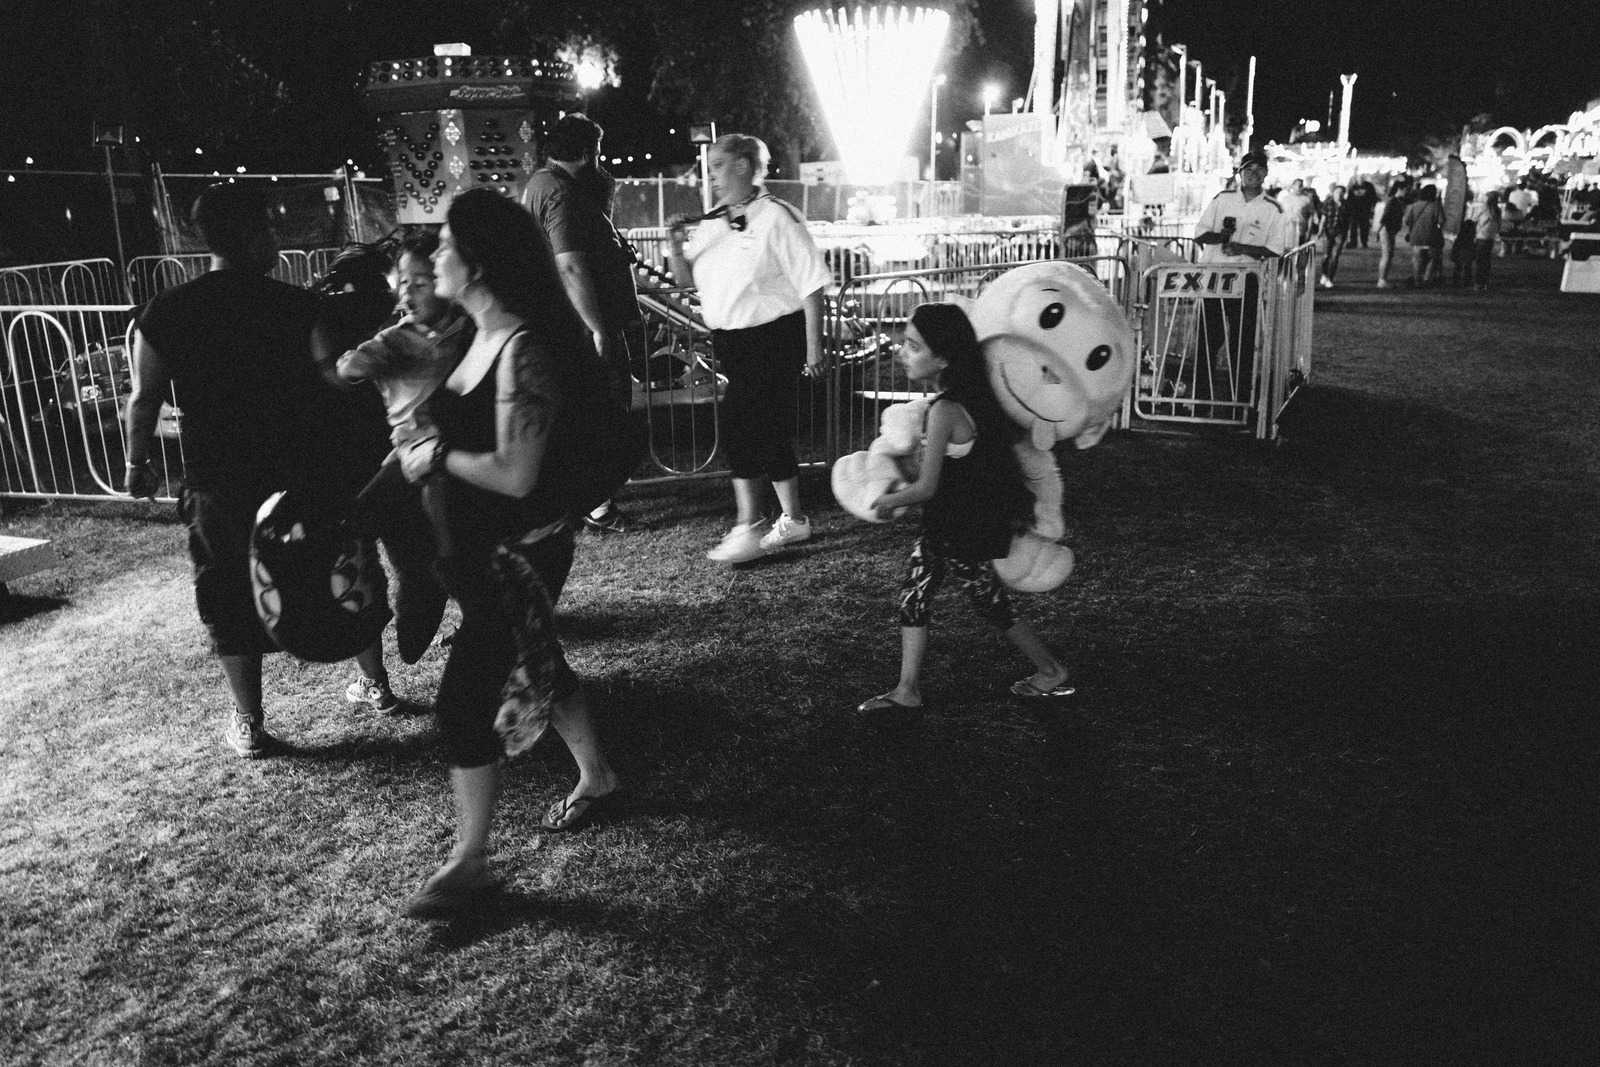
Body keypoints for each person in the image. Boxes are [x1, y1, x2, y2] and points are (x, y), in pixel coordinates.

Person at [396, 188, 620, 918]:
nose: (434, 257)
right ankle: (598, 774)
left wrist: (436, 455)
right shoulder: (472, 332)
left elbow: (516, 474)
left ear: (480, 263)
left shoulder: (523, 349)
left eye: (446, 245)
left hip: (519, 554)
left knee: (463, 700)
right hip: (476, 550)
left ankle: (471, 862)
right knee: (537, 654)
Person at [123, 183, 327, 758]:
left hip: (216, 475)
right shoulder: (297, 305)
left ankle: (249, 722)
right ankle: (375, 682)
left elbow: (144, 397)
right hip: (294, 467)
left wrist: (137, 462)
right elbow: (329, 384)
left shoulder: (166, 312)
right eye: (269, 228)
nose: (276, 240)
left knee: (227, 591)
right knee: (324, 565)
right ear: (251, 234)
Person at [857, 303, 1070, 716]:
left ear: (943, 358)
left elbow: (928, 486)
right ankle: (907, 689)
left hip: (958, 528)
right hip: (961, 523)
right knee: (923, 596)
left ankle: (1051, 670)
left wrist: (887, 499)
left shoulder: (944, 411)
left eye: (913, 346)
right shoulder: (973, 399)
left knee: (983, 602)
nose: (902, 353)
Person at [666, 133, 831, 565]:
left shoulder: (778, 216)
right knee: (770, 427)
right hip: (733, 341)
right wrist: (674, 242)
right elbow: (685, 280)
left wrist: (814, 346)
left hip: (774, 335)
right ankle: (793, 518)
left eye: (718, 165)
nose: (712, 176)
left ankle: (749, 524)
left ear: (743, 165)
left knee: (740, 422)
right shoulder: (713, 221)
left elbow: (812, 284)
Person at [336, 230, 471, 666]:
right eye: (403, 283)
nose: (408, 294)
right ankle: (416, 587)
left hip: (456, 454)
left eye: (421, 282)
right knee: (364, 519)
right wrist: (369, 362)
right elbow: (348, 366)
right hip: (407, 455)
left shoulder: (469, 329)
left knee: (455, 539)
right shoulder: (395, 339)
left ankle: (455, 588)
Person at [521, 113, 644, 535]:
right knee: (604, 408)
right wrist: (597, 328)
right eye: (598, 152)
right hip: (583, 323)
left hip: (566, 321)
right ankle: (598, 504)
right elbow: (571, 265)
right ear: (588, 151)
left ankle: (590, 499)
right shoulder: (561, 193)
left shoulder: (541, 185)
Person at [1191, 148, 1290, 403]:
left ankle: (1240, 401)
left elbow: (1275, 250)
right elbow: (1200, 234)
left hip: (1247, 279)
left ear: (1266, 173)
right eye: (1248, 170)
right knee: (1207, 340)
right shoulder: (1222, 199)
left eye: (1259, 169)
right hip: (1214, 277)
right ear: (1240, 173)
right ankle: (1200, 398)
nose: (1253, 174)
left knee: (1242, 343)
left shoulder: (1274, 209)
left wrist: (1242, 248)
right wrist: (1221, 237)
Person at [1403, 184, 1446, 287]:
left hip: (1416, 237)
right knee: (1432, 259)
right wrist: (1437, 227)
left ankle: (1417, 280)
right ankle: (1427, 279)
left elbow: (1407, 221)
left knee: (1417, 259)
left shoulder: (1414, 206)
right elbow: (1441, 221)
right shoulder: (1435, 206)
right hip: (1431, 237)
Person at [1375, 179, 1410, 288]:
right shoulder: (1393, 201)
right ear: (1399, 189)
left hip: (1389, 230)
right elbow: (1385, 216)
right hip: (1387, 230)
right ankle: (1382, 280)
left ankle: (1382, 279)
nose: (1407, 192)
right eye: (1405, 190)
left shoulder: (1395, 200)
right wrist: (1378, 231)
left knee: (1388, 255)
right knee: (1387, 255)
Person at [1467, 191, 1503, 292]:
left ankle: (1478, 284)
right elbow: (1499, 224)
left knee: (1479, 262)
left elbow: (1473, 219)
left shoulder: (1483, 209)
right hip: (1491, 238)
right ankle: (1485, 283)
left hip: (1481, 236)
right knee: (1486, 261)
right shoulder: (1498, 211)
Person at [1318, 184, 1351, 288]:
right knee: (1326, 255)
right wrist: (1320, 230)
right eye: (1337, 192)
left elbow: (1349, 221)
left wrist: (1348, 236)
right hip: (1328, 231)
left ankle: (1330, 278)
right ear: (1333, 193)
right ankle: (1324, 274)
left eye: (1341, 193)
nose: (1339, 195)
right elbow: (1323, 218)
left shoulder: (1347, 205)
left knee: (1335, 256)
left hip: (1340, 232)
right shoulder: (1328, 202)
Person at [1347, 178, 1378, 248]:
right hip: (1354, 211)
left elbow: (1373, 197)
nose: (1360, 179)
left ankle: (1364, 243)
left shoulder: (1369, 186)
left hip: (1365, 210)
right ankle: (1353, 243)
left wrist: (1372, 207)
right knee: (1353, 227)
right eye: (1359, 177)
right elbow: (1349, 199)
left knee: (1364, 227)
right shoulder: (1353, 187)